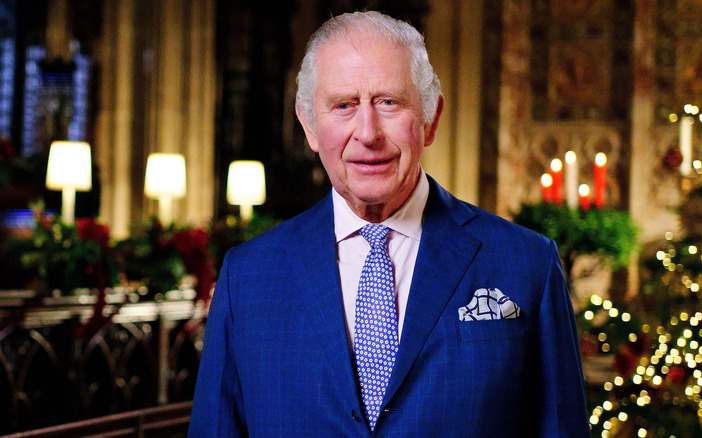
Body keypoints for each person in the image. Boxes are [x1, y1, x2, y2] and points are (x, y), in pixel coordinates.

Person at [189, 10, 589, 437]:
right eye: (343, 105)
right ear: (309, 125)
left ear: (430, 118)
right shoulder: (247, 276)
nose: (368, 132)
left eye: (388, 102)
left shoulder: (527, 265)